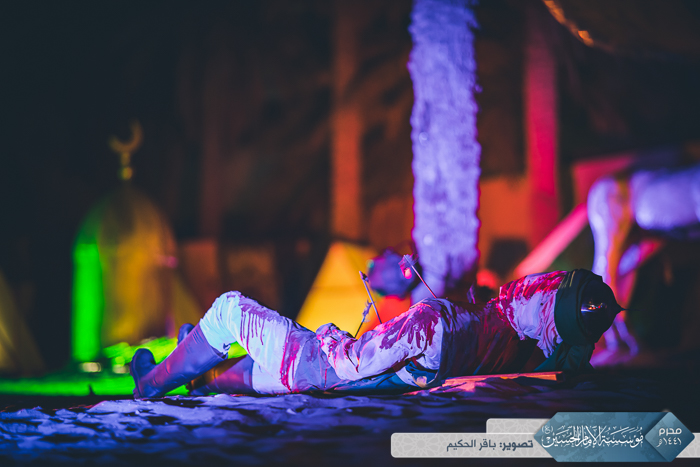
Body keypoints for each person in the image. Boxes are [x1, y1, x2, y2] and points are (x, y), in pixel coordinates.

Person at [131, 269, 622, 398]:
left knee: (227, 310)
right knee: (252, 371)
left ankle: (150, 383)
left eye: (543, 288)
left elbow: (349, 361)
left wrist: (328, 336)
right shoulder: (530, 355)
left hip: (321, 369)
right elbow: (573, 355)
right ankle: (196, 374)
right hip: (340, 385)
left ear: (539, 301)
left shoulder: (440, 323)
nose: (533, 283)